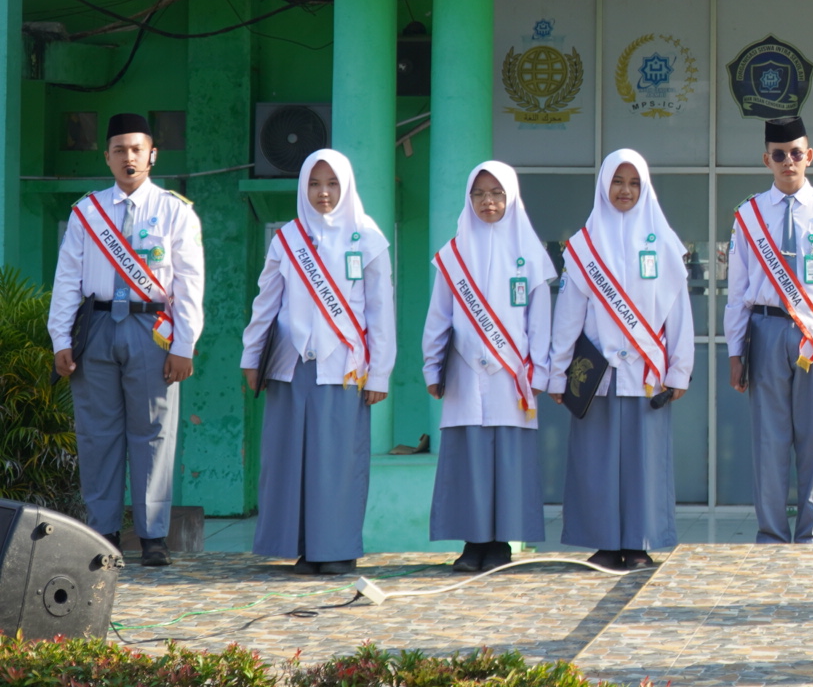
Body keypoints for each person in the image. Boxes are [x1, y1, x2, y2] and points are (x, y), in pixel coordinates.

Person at [46, 112, 204, 567]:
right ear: (107, 157)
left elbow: (190, 282)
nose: (128, 158)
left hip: (152, 329)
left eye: (137, 149)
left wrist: (184, 345)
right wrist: (60, 339)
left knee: (153, 433)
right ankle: (103, 534)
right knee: (97, 435)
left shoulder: (175, 211)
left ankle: (153, 537)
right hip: (96, 327)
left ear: (152, 155)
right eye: (119, 150)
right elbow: (67, 278)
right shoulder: (87, 212)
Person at [240, 149, 395, 575]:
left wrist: (380, 372)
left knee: (336, 462)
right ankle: (302, 548)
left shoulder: (368, 238)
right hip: (289, 366)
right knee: (290, 460)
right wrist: (251, 356)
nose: (323, 193)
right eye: (314, 183)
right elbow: (265, 302)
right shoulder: (287, 238)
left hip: (344, 367)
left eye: (332, 184)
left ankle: (338, 550)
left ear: (346, 187)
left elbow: (381, 311)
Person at [548, 149, 694, 569]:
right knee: (596, 461)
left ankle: (640, 541)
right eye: (617, 181)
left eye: (633, 183)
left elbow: (678, 312)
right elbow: (568, 316)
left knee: (644, 462)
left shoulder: (664, 243)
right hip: (597, 376)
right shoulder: (583, 246)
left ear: (645, 188)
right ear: (603, 185)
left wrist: (680, 369)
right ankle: (605, 543)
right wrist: (558, 373)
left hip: (648, 374)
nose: (625, 190)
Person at [723, 115, 813, 544]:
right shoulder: (749, 215)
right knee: (769, 441)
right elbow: (737, 291)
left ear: (809, 156)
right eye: (779, 155)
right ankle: (772, 535)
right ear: (767, 160)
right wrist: (735, 352)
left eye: (796, 153)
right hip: (765, 330)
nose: (788, 162)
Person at [423, 160, 555, 573]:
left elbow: (540, 321)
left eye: (497, 193)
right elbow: (438, 316)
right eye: (479, 194)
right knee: (469, 458)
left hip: (513, 376)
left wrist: (539, 371)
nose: (488, 202)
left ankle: (501, 544)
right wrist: (431, 366)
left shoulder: (531, 255)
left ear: (511, 197)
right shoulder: (453, 255)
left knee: (508, 459)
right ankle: (472, 542)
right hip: (463, 372)